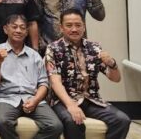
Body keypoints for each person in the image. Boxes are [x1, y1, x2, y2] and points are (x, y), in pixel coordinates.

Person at [46, 9, 130, 139]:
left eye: (78, 25)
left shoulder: (94, 47)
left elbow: (115, 78)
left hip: (91, 99)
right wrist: (71, 105)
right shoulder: (53, 48)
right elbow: (54, 81)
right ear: (61, 28)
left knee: (122, 120)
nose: (74, 29)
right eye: (69, 25)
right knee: (73, 120)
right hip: (63, 100)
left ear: (84, 27)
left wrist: (112, 63)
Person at [0, 15, 62, 139]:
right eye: (14, 27)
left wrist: (35, 100)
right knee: (1, 121)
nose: (18, 30)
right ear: (5, 29)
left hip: (32, 98)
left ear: (26, 32)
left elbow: (44, 83)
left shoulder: (34, 55)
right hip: (7, 98)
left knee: (56, 126)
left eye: (22, 28)